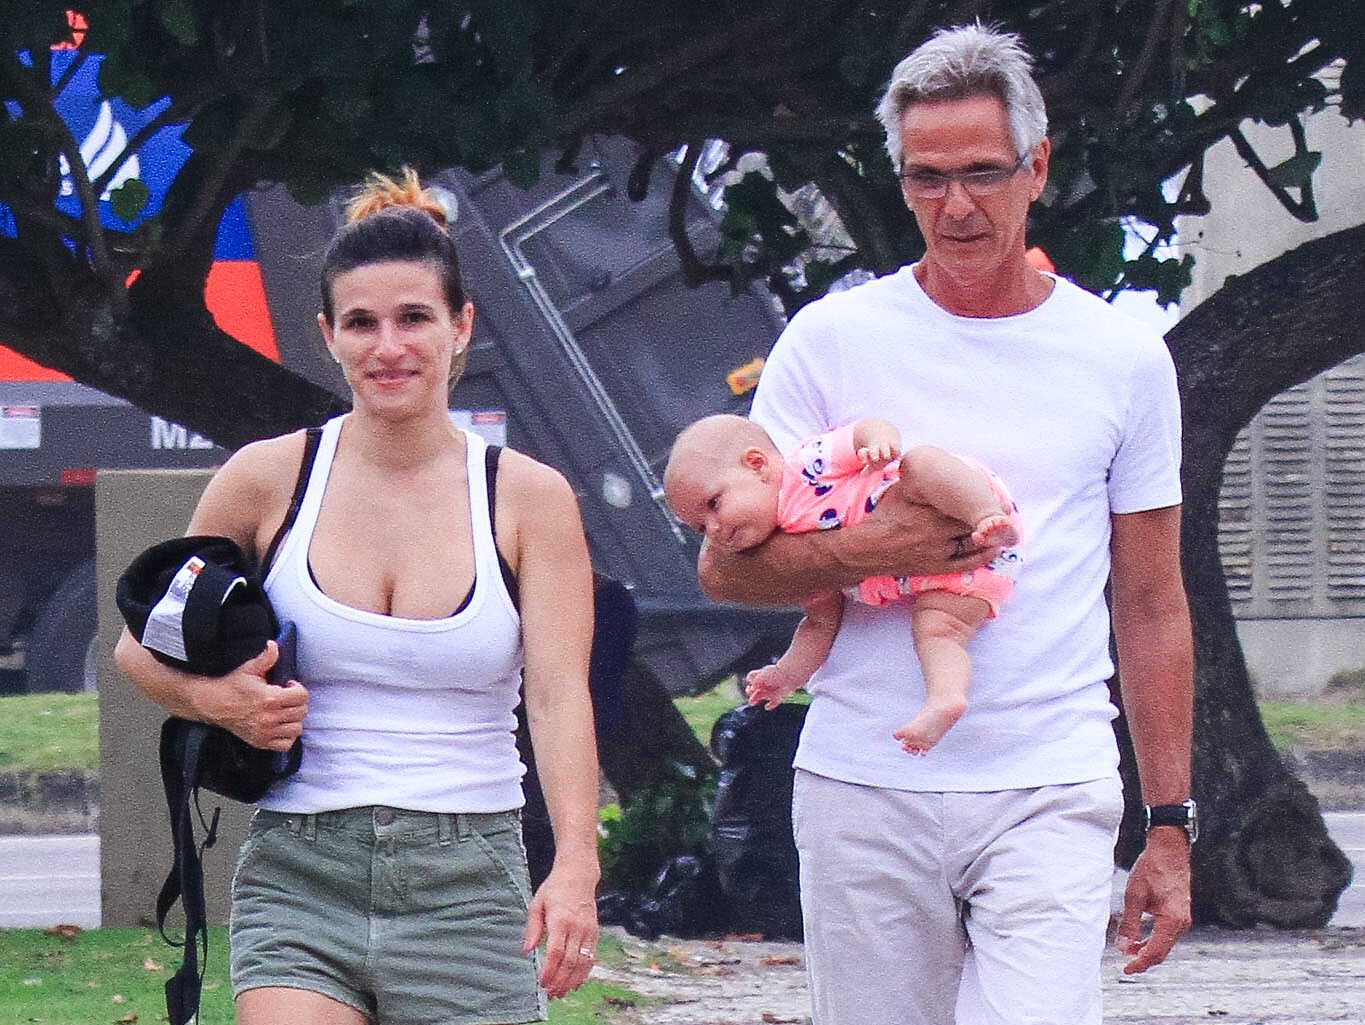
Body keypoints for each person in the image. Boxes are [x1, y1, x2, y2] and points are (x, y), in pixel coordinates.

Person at [698, 23, 1194, 1025]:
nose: (956, 204)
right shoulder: (831, 340)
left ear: (1036, 168)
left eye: (982, 172)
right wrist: (873, 549)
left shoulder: (1122, 357)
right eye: (927, 177)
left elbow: (1149, 600)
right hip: (863, 781)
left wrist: (1169, 823)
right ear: (901, 182)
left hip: (1049, 779)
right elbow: (725, 567)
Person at [114, 169, 601, 1025]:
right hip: (302, 869)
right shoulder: (267, 478)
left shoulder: (528, 498)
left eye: (414, 318)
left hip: (468, 873)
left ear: (460, 325)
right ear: (327, 336)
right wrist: (218, 701)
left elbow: (560, 696)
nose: (388, 347)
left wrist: (575, 867)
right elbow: (137, 648)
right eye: (361, 323)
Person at [664, 412, 1021, 754]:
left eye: (714, 504)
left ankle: (987, 515)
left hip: (950, 503)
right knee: (939, 633)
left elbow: (863, 431)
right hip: (970, 576)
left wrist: (878, 442)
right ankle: (946, 697)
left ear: (757, 465)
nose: (713, 529)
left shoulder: (806, 467)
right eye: (699, 527)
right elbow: (819, 625)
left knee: (921, 461)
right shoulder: (791, 552)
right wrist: (786, 674)